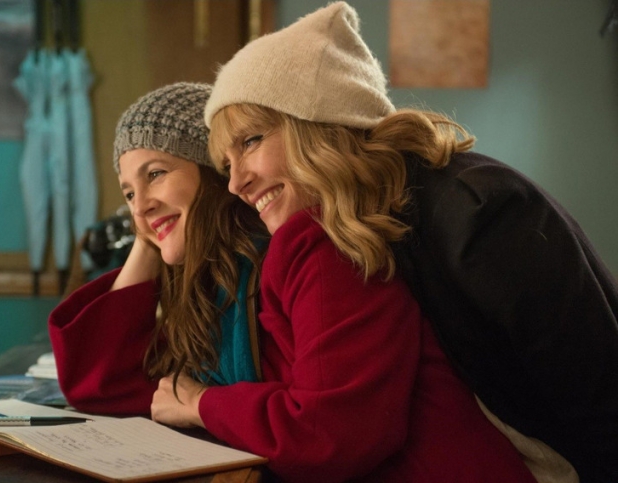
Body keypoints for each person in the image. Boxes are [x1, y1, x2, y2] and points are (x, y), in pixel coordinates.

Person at [157, 3, 618, 483]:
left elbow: (596, 389)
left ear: (318, 123)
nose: (236, 183)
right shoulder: (351, 221)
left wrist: (204, 404)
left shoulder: (473, 211)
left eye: (251, 140)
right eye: (226, 164)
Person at [48, 82, 268, 416]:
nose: (139, 207)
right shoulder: (198, 283)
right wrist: (147, 238)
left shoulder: (264, 266)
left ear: (215, 172)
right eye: (129, 194)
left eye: (155, 174)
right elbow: (96, 387)